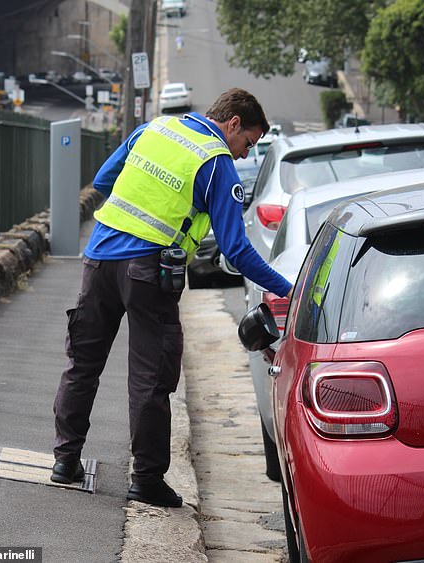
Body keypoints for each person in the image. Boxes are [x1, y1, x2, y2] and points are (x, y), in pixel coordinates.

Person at [51, 88, 292, 507]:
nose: (243, 155)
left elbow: (106, 181)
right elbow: (235, 250)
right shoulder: (216, 164)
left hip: (99, 259)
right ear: (233, 123)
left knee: (82, 365)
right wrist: (288, 289)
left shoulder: (155, 128)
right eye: (247, 144)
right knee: (150, 378)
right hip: (148, 274)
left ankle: (64, 461)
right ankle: (145, 480)